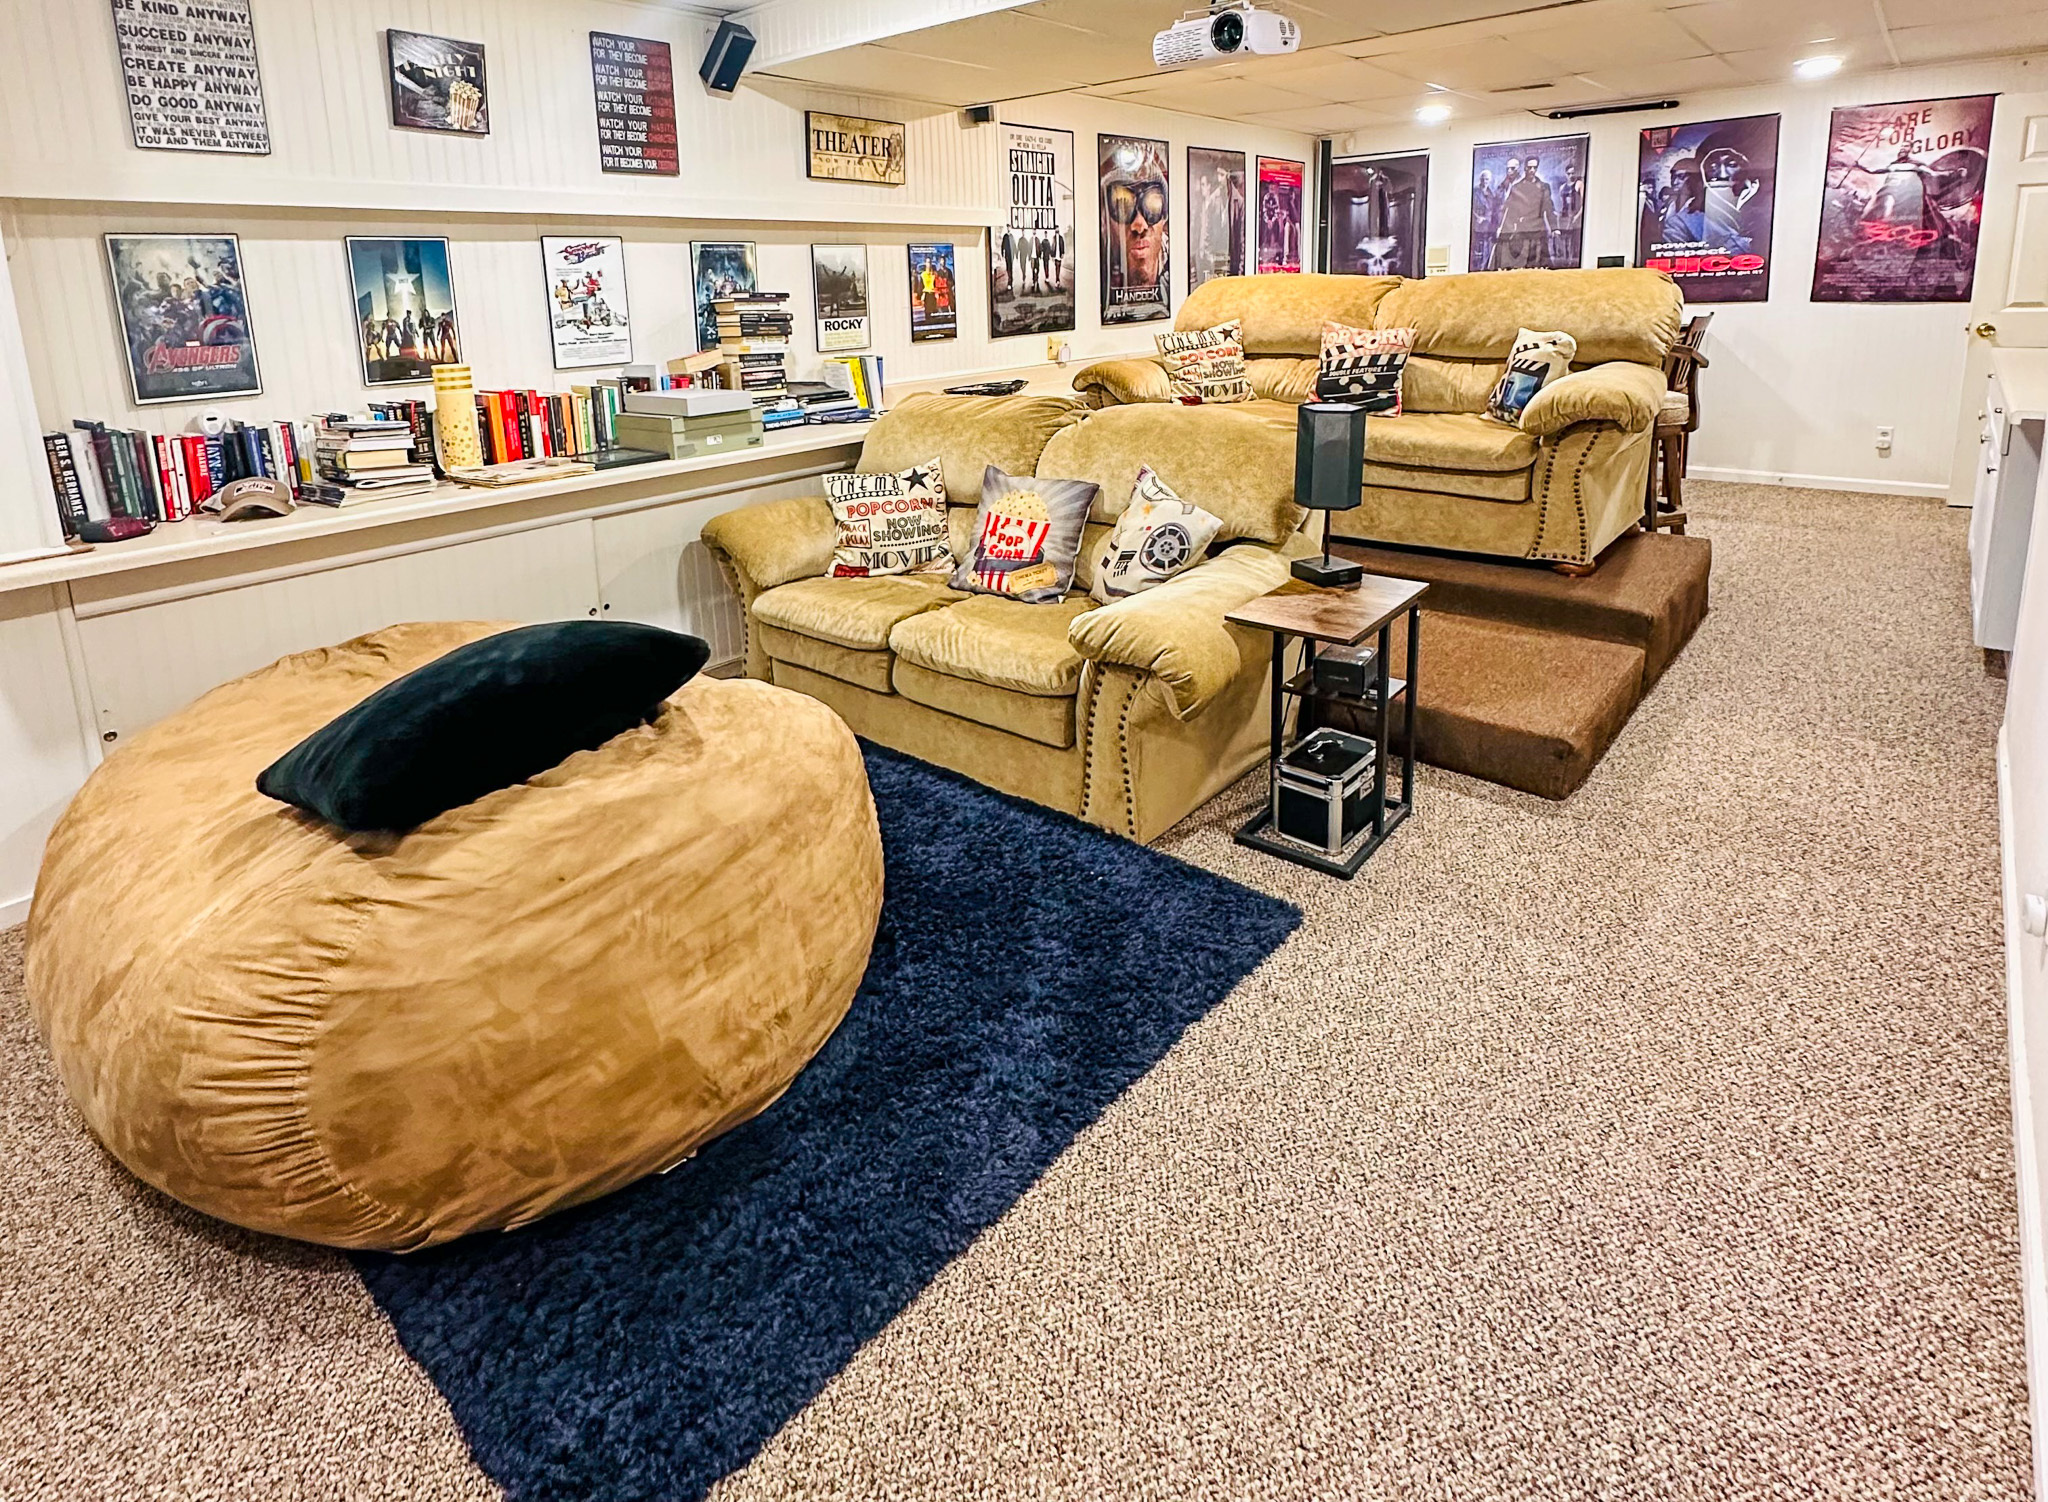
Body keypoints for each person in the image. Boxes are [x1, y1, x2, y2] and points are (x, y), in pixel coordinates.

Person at [1103, 147, 1168, 316]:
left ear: (1164, 218)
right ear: (1105, 220)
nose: (1139, 226)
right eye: (1122, 207)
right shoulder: (1088, 275)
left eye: (1152, 206)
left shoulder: (1180, 267)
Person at [1489, 155, 1555, 269]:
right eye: (1529, 167)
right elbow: (1508, 211)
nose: (1532, 170)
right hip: (1523, 231)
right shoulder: (1517, 188)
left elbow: (1549, 209)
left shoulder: (1544, 187)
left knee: (1541, 266)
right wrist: (1502, 231)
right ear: (1524, 168)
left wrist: (1555, 228)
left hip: (1539, 231)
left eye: (1534, 167)